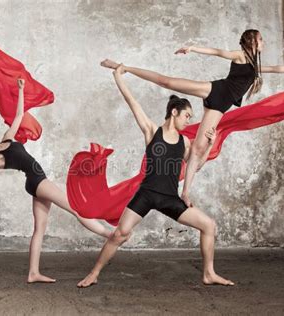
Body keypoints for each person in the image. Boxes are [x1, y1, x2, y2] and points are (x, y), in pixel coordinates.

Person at [100, 29, 284, 207]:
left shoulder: (255, 65)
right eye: (261, 39)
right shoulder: (240, 55)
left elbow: (278, 69)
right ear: (252, 41)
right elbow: (218, 52)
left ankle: (185, 193)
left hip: (219, 107)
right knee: (168, 82)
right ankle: (123, 67)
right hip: (215, 91)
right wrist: (193, 48)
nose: (264, 42)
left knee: (198, 151)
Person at [77, 64, 233, 288]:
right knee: (120, 234)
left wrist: (209, 145)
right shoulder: (152, 131)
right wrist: (119, 77)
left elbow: (194, 165)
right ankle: (94, 273)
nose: (189, 121)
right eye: (187, 116)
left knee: (209, 225)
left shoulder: (185, 142)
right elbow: (133, 102)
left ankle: (209, 273)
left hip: (170, 198)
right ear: (174, 112)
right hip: (147, 194)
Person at [0, 78, 111, 283]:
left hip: (36, 183)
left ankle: (33, 273)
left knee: (39, 230)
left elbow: (19, 115)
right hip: (38, 183)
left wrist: (20, 90)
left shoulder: (8, 138)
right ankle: (109, 235)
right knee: (77, 208)